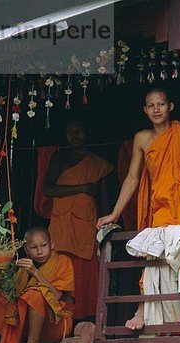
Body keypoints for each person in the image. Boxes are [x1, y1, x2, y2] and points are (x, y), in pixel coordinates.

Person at [97, 87, 180, 330]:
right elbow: (133, 178)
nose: (157, 109)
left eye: (161, 104)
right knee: (154, 252)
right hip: (162, 204)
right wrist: (115, 213)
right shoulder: (142, 138)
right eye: (151, 106)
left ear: (171, 107)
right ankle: (143, 309)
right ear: (145, 110)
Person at [43, 117, 113, 320]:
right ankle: (59, 316)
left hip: (86, 223)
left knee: (85, 270)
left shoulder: (100, 164)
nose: (74, 135)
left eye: (79, 129)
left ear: (88, 132)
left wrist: (105, 227)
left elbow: (105, 200)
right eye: (70, 131)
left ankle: (87, 316)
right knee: (61, 266)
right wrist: (82, 188)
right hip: (61, 224)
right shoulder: (59, 158)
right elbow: (47, 189)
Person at [0, 227, 75, 343]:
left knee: (34, 293)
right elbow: (14, 300)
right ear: (26, 250)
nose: (40, 251)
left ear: (52, 245)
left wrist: (35, 272)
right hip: (28, 326)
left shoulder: (63, 261)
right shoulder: (23, 269)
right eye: (34, 247)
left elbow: (57, 295)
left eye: (44, 245)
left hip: (56, 324)